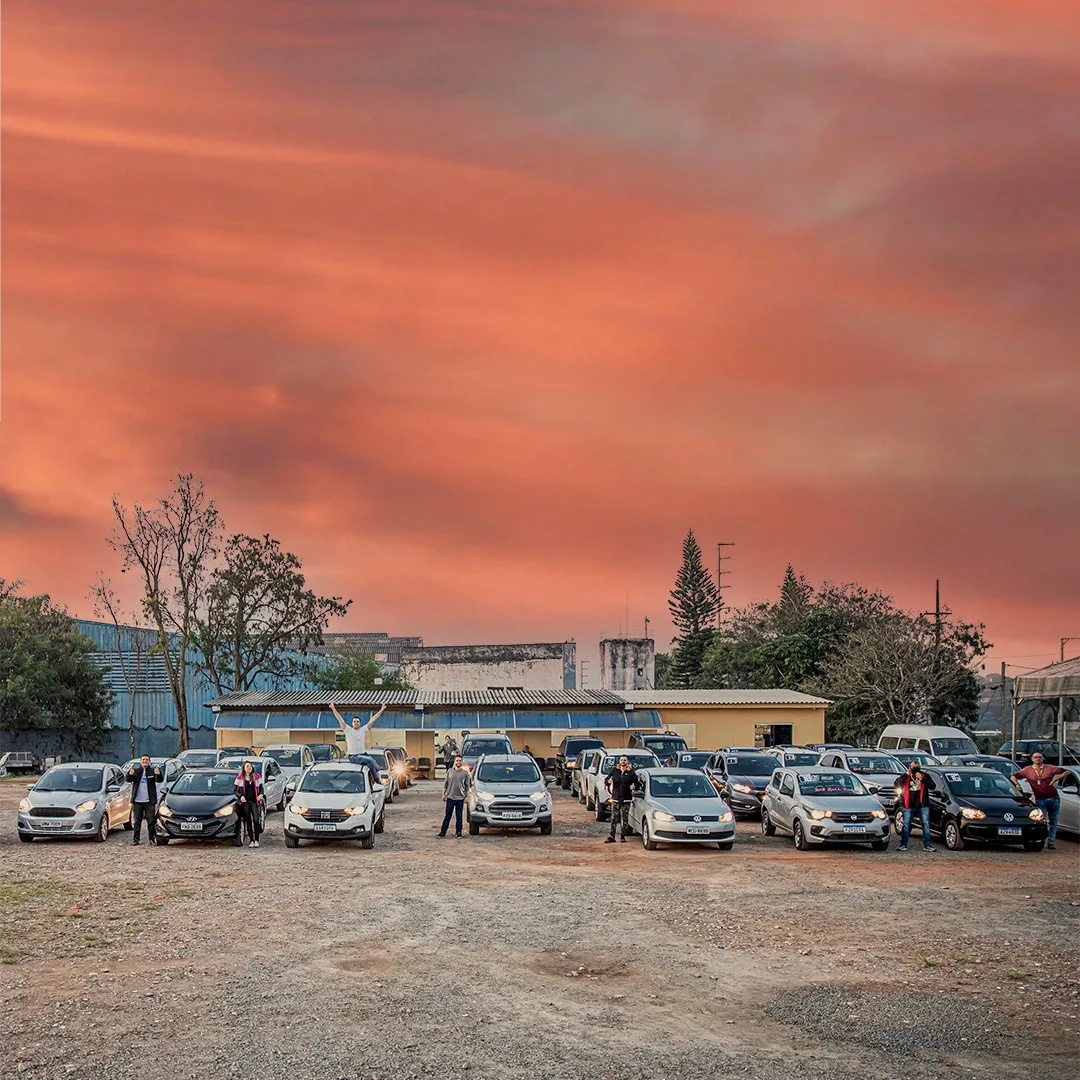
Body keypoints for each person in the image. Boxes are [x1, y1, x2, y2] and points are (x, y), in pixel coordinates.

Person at [1011, 752, 1069, 849]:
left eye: (1039, 757)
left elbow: (1066, 772)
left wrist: (1055, 780)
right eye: (1035, 757)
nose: (1038, 759)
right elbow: (1013, 776)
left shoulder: (1049, 768)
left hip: (1053, 797)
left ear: (1043, 759)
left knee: (1053, 821)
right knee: (1041, 821)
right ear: (1032, 759)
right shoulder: (1027, 770)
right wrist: (1017, 785)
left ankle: (1051, 842)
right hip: (1040, 799)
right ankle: (1041, 840)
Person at [895, 761, 936, 852]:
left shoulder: (924, 776)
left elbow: (933, 786)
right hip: (908, 804)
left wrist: (922, 779)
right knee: (906, 825)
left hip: (922, 804)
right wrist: (905, 775)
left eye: (917, 767)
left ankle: (927, 845)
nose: (915, 769)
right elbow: (896, 784)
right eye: (913, 767)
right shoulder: (906, 776)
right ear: (910, 767)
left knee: (925, 824)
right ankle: (903, 844)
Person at [126, 755, 164, 846]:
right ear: (140, 761)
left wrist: (158, 774)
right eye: (143, 760)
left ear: (149, 762)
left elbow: (159, 780)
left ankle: (151, 839)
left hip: (149, 802)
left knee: (151, 821)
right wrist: (129, 774)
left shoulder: (152, 771)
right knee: (137, 822)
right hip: (137, 801)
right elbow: (128, 779)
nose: (145, 761)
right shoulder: (136, 771)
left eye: (147, 760)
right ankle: (136, 839)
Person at [604, 755, 639, 844]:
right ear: (619, 761)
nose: (623, 761)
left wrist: (634, 786)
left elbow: (636, 783)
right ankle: (612, 836)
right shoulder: (615, 770)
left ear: (627, 762)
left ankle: (623, 836)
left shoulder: (631, 772)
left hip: (626, 799)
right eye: (622, 760)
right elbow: (606, 780)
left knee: (625, 818)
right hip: (616, 798)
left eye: (625, 760)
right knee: (614, 818)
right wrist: (608, 781)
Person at [439, 755, 471, 839]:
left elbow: (467, 786)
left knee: (459, 817)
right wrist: (443, 795)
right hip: (450, 797)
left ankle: (458, 832)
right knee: (447, 816)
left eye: (460, 761)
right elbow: (445, 784)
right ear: (454, 761)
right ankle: (443, 832)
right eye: (457, 760)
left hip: (460, 798)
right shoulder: (450, 771)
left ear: (462, 762)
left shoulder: (465, 773)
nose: (458, 762)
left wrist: (466, 797)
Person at [234, 760, 265, 848]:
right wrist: (240, 796)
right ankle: (251, 840)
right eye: (247, 766)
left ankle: (257, 840)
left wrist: (261, 795)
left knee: (256, 820)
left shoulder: (257, 776)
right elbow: (235, 790)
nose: (249, 768)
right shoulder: (240, 778)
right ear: (244, 768)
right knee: (248, 821)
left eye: (250, 766)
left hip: (254, 802)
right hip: (245, 803)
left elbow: (261, 788)